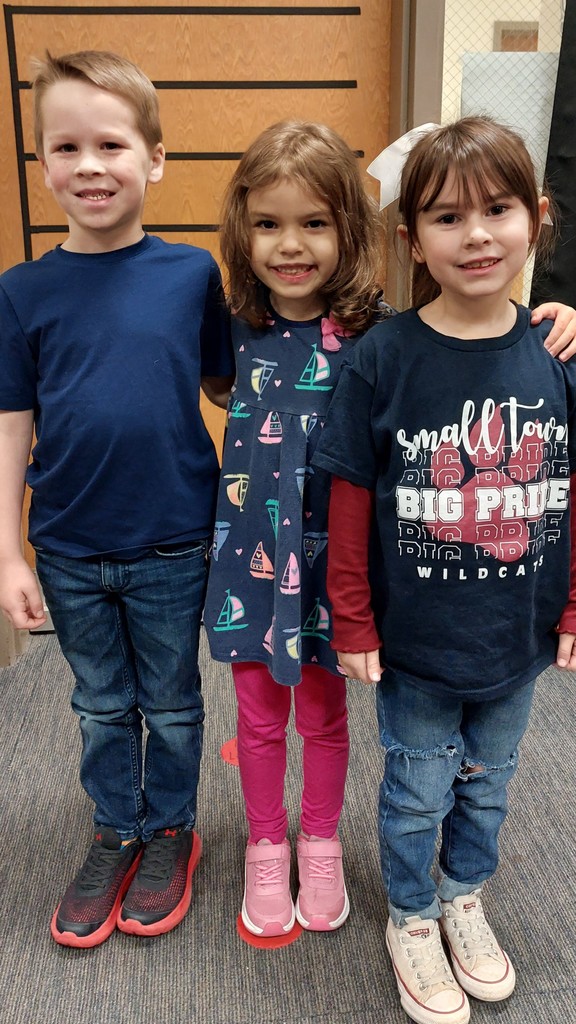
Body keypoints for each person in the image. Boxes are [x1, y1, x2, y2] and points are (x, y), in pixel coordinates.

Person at [201, 118, 575, 942]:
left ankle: (323, 842)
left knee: (327, 717)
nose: (290, 245)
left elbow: (469, 328)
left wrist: (560, 310)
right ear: (242, 231)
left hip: (345, 568)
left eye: (314, 223)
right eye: (267, 224)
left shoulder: (375, 335)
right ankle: (269, 844)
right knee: (259, 716)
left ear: (355, 230)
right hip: (252, 569)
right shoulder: (231, 322)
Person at [313, 115, 576, 1024]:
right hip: (417, 645)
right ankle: (413, 916)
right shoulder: (382, 358)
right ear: (409, 238)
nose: (475, 235)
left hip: (518, 638)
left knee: (492, 786)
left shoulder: (556, 350)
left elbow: (571, 489)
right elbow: (348, 498)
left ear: (536, 219)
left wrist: (574, 605)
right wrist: (351, 620)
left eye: (498, 210)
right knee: (417, 788)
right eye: (446, 216)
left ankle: (465, 896)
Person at [0, 50, 234, 949]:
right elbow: (13, 426)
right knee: (100, 704)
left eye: (111, 143)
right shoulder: (22, 294)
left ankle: (172, 829)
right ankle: (116, 829)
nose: (90, 165)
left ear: (156, 159)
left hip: (174, 538)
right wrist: (10, 550)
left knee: (172, 703)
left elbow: (230, 386)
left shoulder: (191, 277)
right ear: (44, 164)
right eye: (66, 146)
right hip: (67, 544)